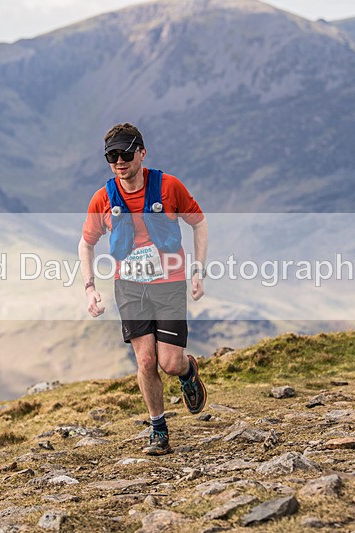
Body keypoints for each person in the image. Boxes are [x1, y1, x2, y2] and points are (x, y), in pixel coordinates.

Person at [78, 123, 208, 456]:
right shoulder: (103, 198)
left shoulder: (168, 186)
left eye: (125, 153)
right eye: (112, 156)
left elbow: (198, 222)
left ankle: (188, 371)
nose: (119, 161)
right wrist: (90, 287)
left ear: (142, 152)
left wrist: (198, 271)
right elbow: (86, 243)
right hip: (130, 287)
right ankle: (158, 430)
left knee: (169, 362)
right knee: (146, 361)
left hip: (169, 285)